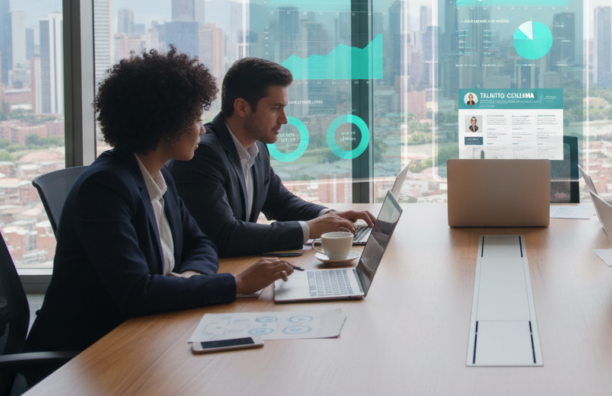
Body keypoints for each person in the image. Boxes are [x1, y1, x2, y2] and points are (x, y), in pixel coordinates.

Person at [25, 49, 293, 358]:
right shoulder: (104, 188)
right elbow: (136, 292)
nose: (202, 129)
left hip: (148, 333)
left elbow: (202, 244)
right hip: (90, 353)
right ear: (167, 123)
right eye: (195, 119)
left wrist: (190, 280)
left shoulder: (159, 175)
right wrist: (237, 283)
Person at [171, 58, 375, 257]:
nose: (284, 119)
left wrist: (328, 216)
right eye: (275, 108)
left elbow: (280, 202)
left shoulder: (257, 147)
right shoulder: (202, 154)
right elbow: (223, 235)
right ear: (242, 107)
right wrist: (309, 229)